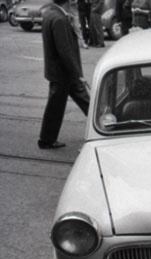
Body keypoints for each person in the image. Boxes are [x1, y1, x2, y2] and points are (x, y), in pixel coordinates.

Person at [38, 0, 90, 149]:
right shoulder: (59, 19)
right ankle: (105, 124)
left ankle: (46, 139)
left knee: (57, 106)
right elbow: (65, 51)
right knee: (82, 101)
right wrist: (78, 74)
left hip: (59, 72)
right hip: (64, 73)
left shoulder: (50, 14)